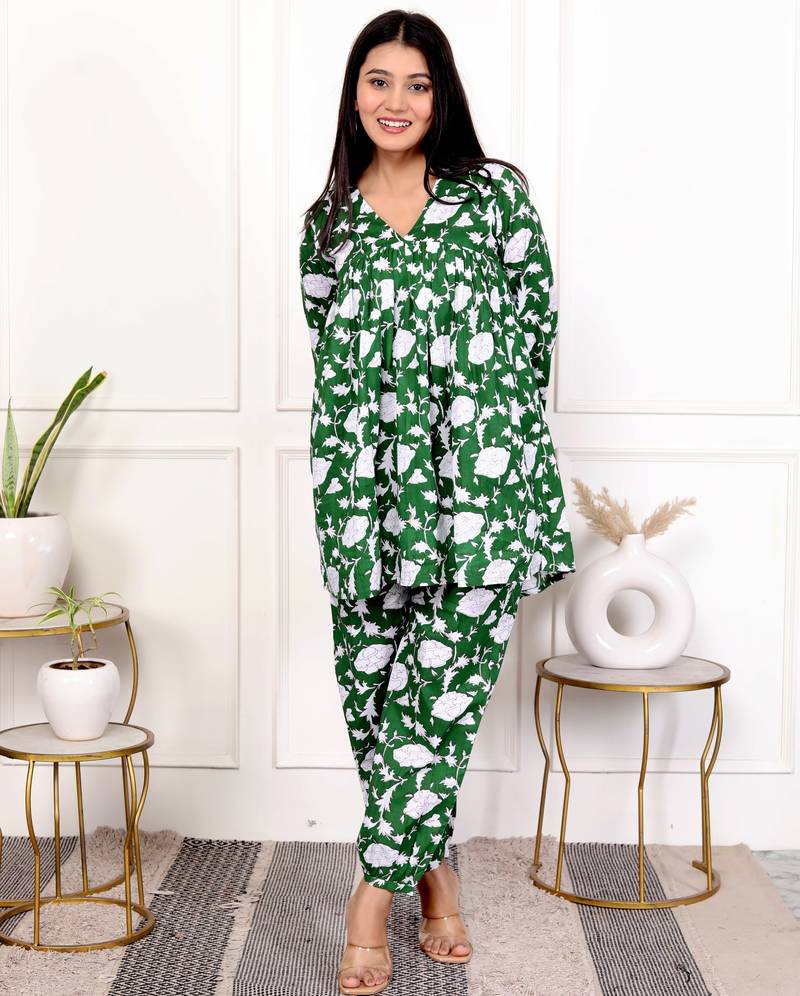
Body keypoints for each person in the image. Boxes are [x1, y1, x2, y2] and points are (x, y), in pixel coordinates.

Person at [298, 10, 576, 994]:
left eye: (416, 84)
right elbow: (332, 361)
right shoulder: (327, 225)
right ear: (354, 93)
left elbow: (534, 333)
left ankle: (368, 903)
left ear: (441, 95)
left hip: (482, 493)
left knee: (434, 699)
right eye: (378, 80)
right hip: (364, 495)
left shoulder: (493, 197)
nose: (396, 101)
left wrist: (483, 440)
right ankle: (436, 881)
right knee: (378, 705)